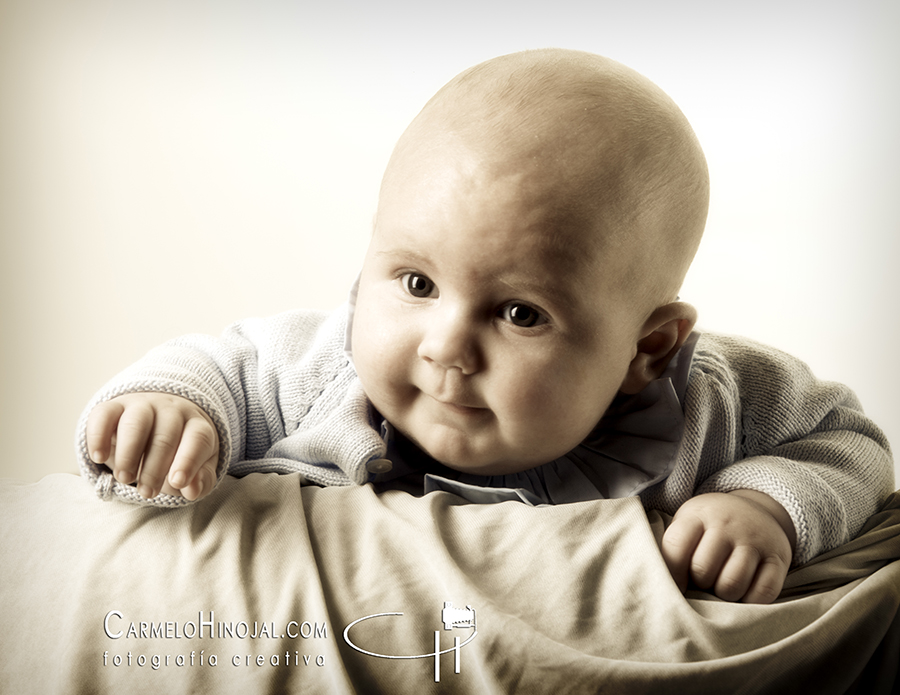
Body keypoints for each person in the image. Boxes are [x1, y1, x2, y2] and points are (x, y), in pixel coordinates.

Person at [77, 48, 894, 605]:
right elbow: (217, 368)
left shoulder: (716, 404)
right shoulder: (322, 366)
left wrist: (764, 503)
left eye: (519, 313)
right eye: (418, 282)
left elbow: (849, 443)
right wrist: (168, 408)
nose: (446, 348)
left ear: (648, 349)